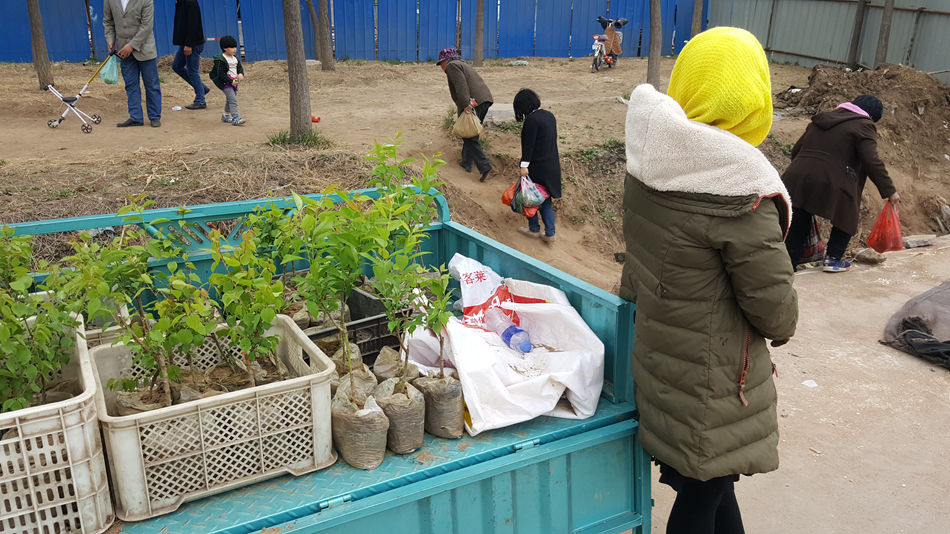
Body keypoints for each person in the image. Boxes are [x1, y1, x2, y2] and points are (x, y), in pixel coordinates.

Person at [621, 27, 798, 534]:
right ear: (752, 98)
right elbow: (776, 313)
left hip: (662, 360)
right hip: (715, 382)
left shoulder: (654, 162)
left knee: (712, 483)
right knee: (706, 490)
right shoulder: (741, 192)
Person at [782, 95, 899, 272]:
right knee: (848, 211)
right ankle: (833, 259)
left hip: (796, 177)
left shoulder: (821, 120)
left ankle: (787, 266)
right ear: (870, 116)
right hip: (831, 179)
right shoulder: (864, 125)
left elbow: (796, 150)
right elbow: (871, 160)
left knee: (798, 221)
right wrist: (889, 191)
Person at [437, 48, 493, 182]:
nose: (441, 67)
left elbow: (461, 86)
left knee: (470, 136)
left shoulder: (452, 66)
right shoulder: (462, 64)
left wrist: (465, 105)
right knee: (470, 133)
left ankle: (484, 166)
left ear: (446, 60)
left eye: (441, 64)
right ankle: (466, 163)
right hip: (483, 99)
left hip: (473, 102)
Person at [513, 89, 561, 243]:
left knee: (531, 196)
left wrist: (523, 166)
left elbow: (528, 146)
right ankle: (550, 232)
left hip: (538, 166)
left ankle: (534, 229)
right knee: (546, 199)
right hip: (552, 165)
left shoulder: (532, 120)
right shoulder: (549, 116)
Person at [104, 0, 162, 127]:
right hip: (122, 50)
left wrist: (131, 46)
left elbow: (147, 26)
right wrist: (110, 39)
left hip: (144, 49)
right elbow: (108, 21)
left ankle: (154, 116)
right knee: (130, 85)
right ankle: (135, 117)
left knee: (151, 84)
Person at [172, 0, 210, 110]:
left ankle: (200, 101)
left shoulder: (190, 2)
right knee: (177, 66)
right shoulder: (181, 2)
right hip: (186, 43)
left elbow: (193, 25)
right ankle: (202, 89)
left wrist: (189, 44)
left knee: (192, 71)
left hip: (192, 44)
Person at [209, 36, 246, 126]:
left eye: (235, 47)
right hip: (225, 82)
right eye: (232, 47)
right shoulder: (220, 60)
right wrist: (230, 81)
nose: (235, 49)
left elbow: (239, 67)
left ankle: (225, 115)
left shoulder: (235, 58)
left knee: (230, 98)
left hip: (233, 81)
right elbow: (220, 74)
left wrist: (241, 73)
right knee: (232, 99)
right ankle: (235, 117)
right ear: (225, 48)